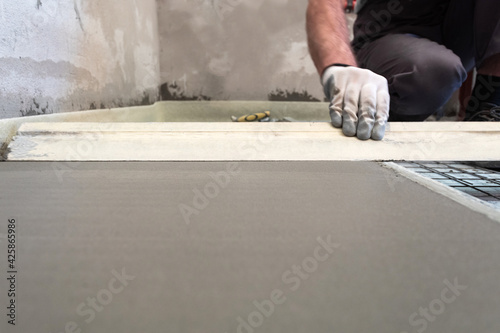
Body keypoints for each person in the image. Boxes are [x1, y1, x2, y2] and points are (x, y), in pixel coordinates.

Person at [306, 0, 500, 140]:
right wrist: (339, 66)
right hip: (391, 28)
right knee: (433, 72)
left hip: (467, 31)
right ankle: (379, 114)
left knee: (437, 70)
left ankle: (490, 106)